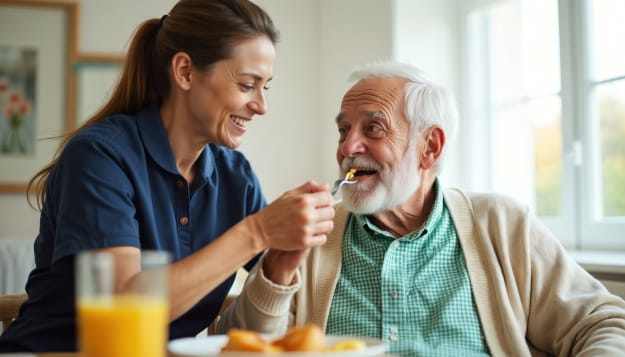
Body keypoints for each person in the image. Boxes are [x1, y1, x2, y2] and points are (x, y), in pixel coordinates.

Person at [217, 62, 625, 356]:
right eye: (344, 130)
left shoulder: (504, 225)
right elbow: (238, 346)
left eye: (372, 128)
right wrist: (277, 271)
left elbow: (604, 323)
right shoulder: (309, 235)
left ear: (429, 147)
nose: (347, 147)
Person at [0, 0, 335, 352]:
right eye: (248, 84)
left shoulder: (236, 176)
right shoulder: (99, 156)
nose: (261, 106)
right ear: (185, 71)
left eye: (265, 86)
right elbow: (127, 307)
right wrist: (257, 231)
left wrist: (279, 267)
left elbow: (260, 311)